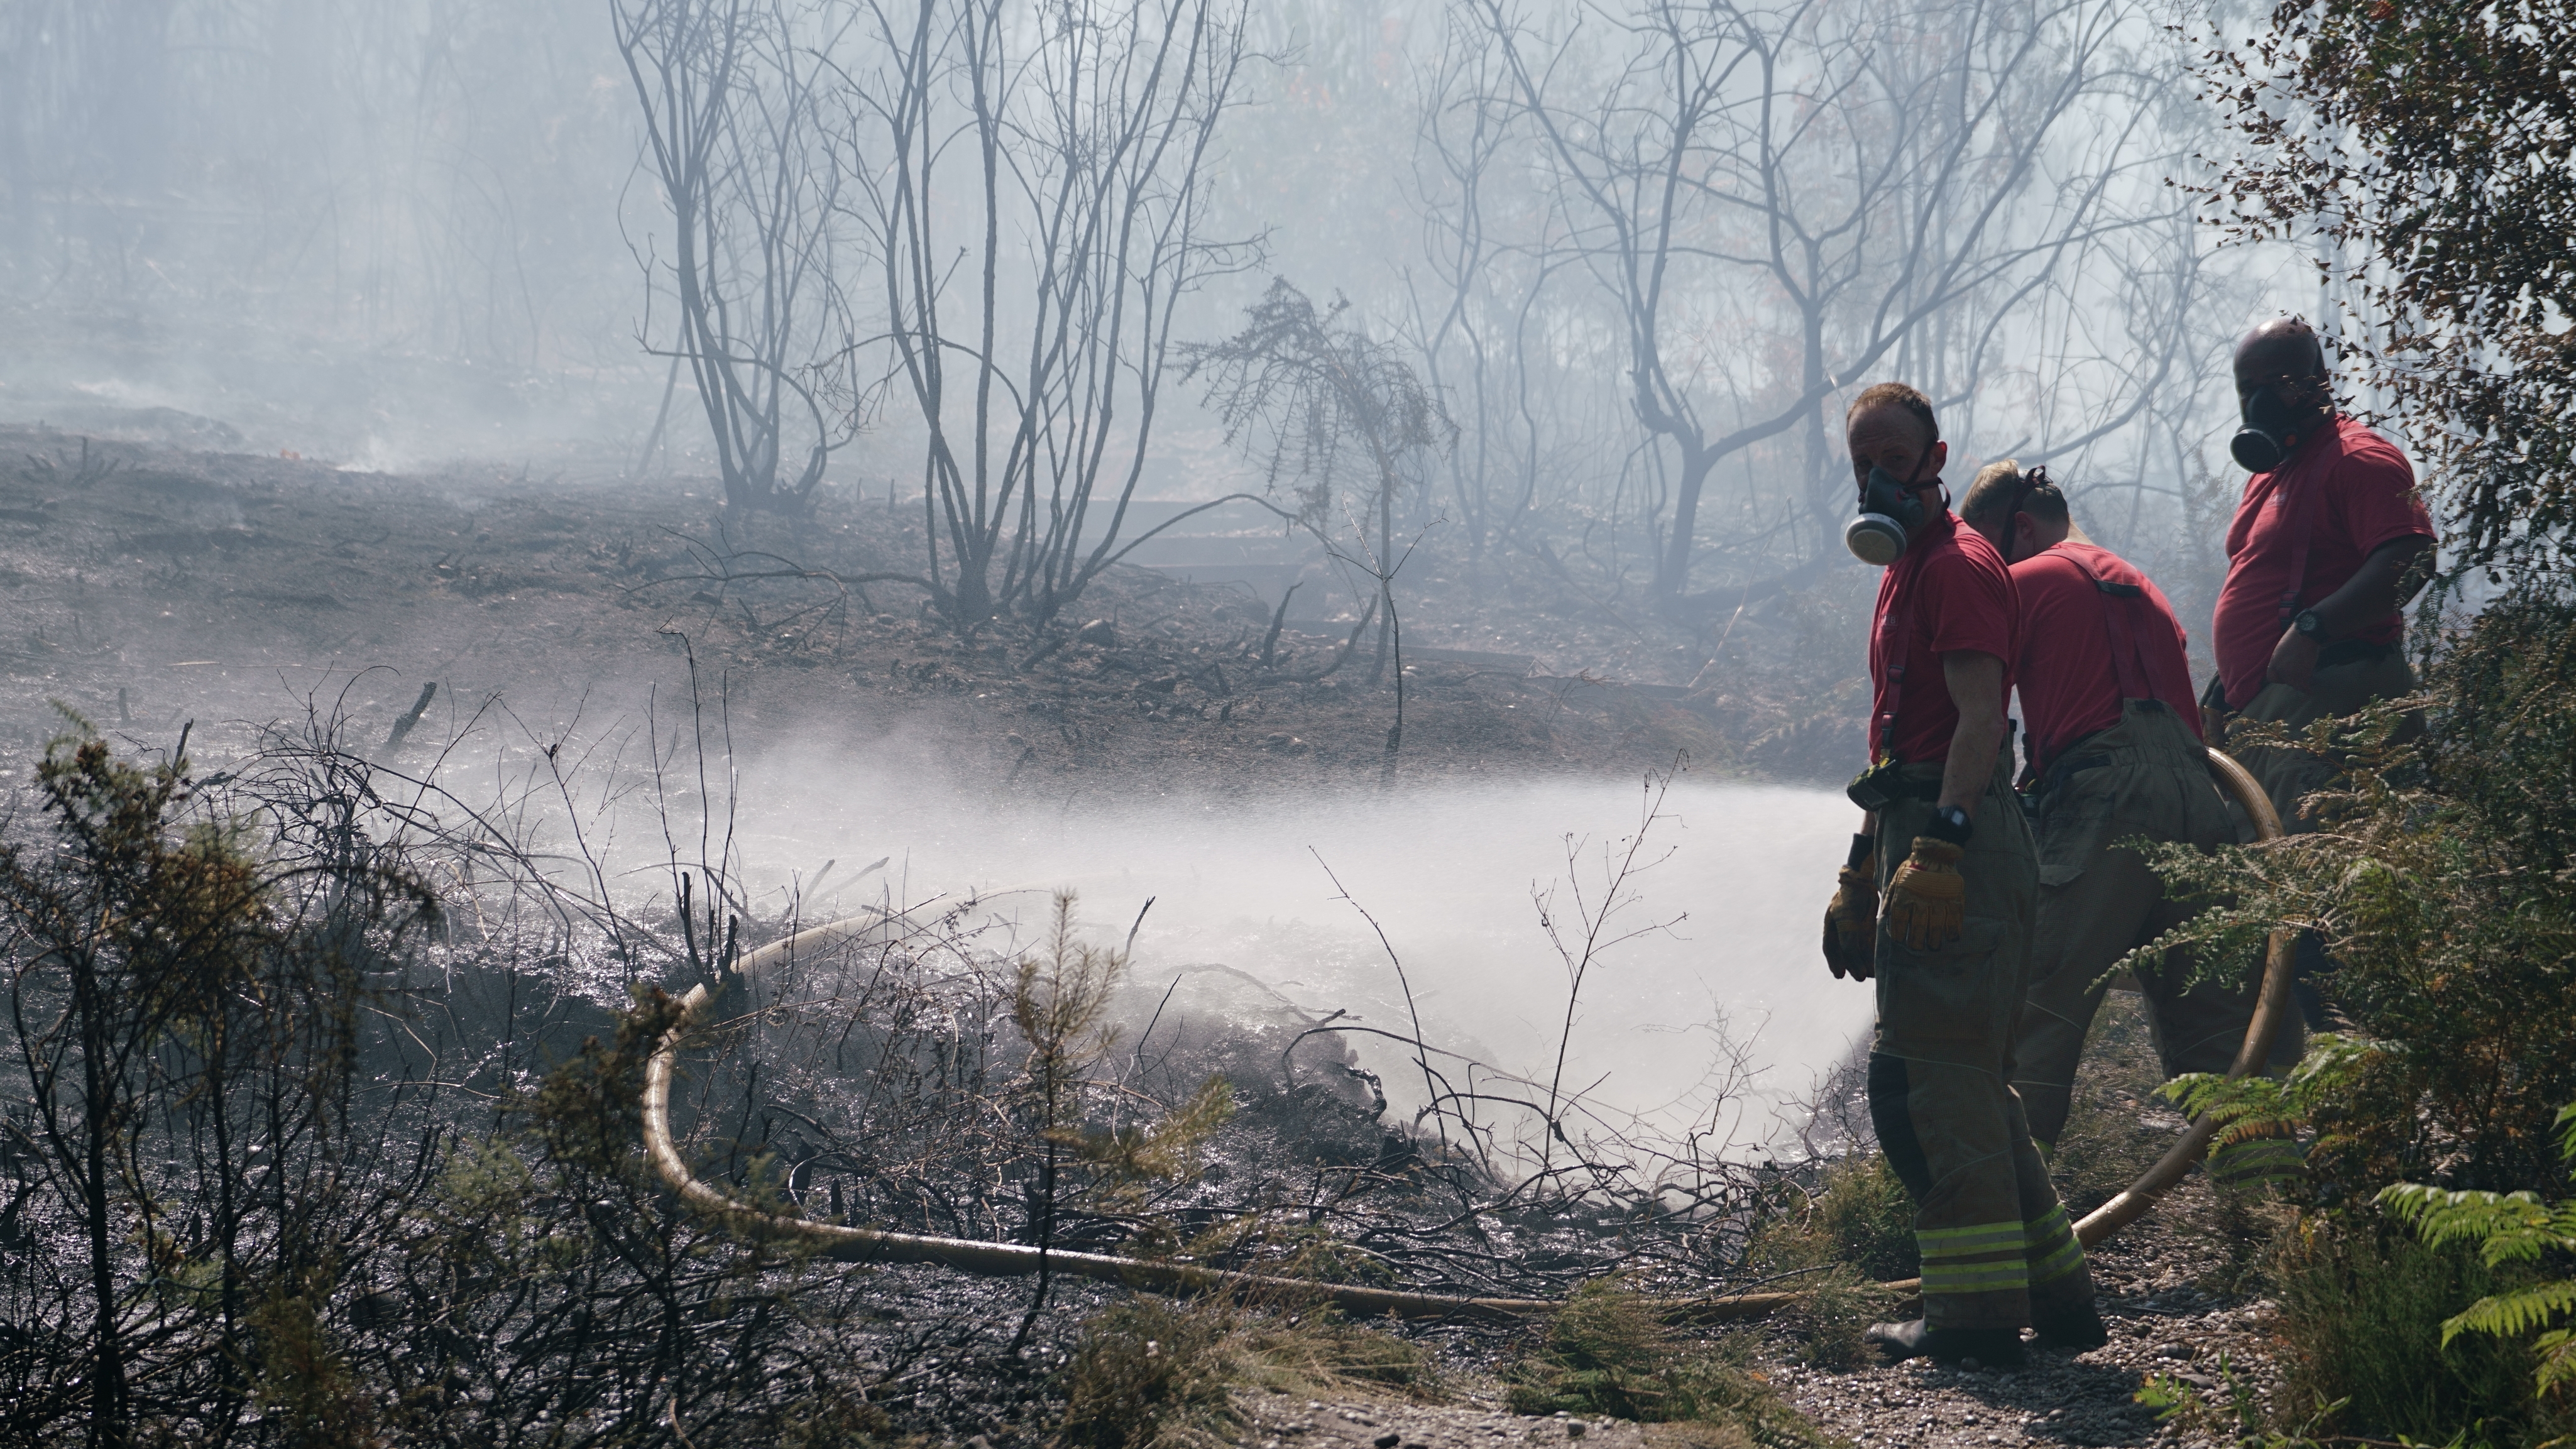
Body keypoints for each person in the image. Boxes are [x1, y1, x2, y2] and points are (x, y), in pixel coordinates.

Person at [1820, 384, 2104, 1369]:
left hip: (1963, 846)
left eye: (1891, 457)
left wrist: (1938, 845)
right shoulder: (1902, 575)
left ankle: (1976, 1322)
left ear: (1932, 457)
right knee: (1966, 1083)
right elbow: (1900, 739)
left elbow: (1981, 721)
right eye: (1859, 458)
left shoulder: (1959, 566)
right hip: (1917, 831)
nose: (1872, 476)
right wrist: (1864, 868)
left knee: (1924, 1085)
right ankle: (2060, 1300)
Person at [1959, 463, 2301, 1185]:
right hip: (2200, 798)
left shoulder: (2024, 582)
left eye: (1989, 551)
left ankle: (2001, 1200)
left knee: (2038, 1001)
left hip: (2102, 799)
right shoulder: (2144, 589)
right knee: (2220, 1021)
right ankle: (2275, 1211)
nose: (1987, 570)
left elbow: (1978, 711)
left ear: (2019, 529)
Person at [2209, 317, 2436, 831]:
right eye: (2249, 389)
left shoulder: (2358, 459)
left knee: (2313, 876)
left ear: (2318, 381)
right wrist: (2224, 690)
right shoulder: (2274, 473)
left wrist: (2314, 628)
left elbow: (2411, 559)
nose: (2259, 402)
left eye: (2278, 383)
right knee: (2263, 881)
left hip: (2328, 703)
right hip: (2274, 714)